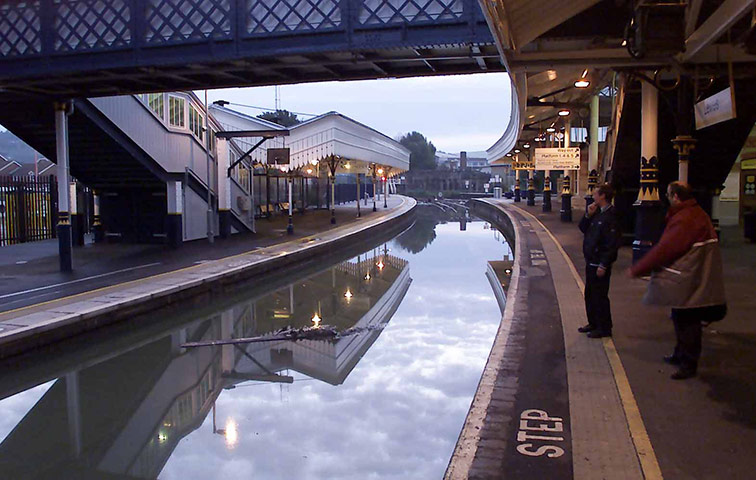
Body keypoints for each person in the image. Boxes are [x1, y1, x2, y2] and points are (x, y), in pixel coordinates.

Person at [628, 181, 726, 380]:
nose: (666, 198)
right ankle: (680, 354)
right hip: (692, 276)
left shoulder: (686, 219)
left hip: (689, 279)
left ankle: (688, 363)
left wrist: (638, 269)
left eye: (668, 194)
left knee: (688, 321)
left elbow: (667, 249)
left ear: (675, 197)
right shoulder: (695, 213)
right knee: (681, 317)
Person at [578, 183, 622, 338]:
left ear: (603, 196)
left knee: (600, 295)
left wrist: (604, 263)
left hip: (599, 262)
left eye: (596, 193)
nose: (593, 196)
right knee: (590, 293)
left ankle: (604, 327)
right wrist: (588, 215)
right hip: (591, 260)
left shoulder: (611, 216)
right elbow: (583, 228)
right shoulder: (597, 213)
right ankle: (593, 323)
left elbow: (611, 243)